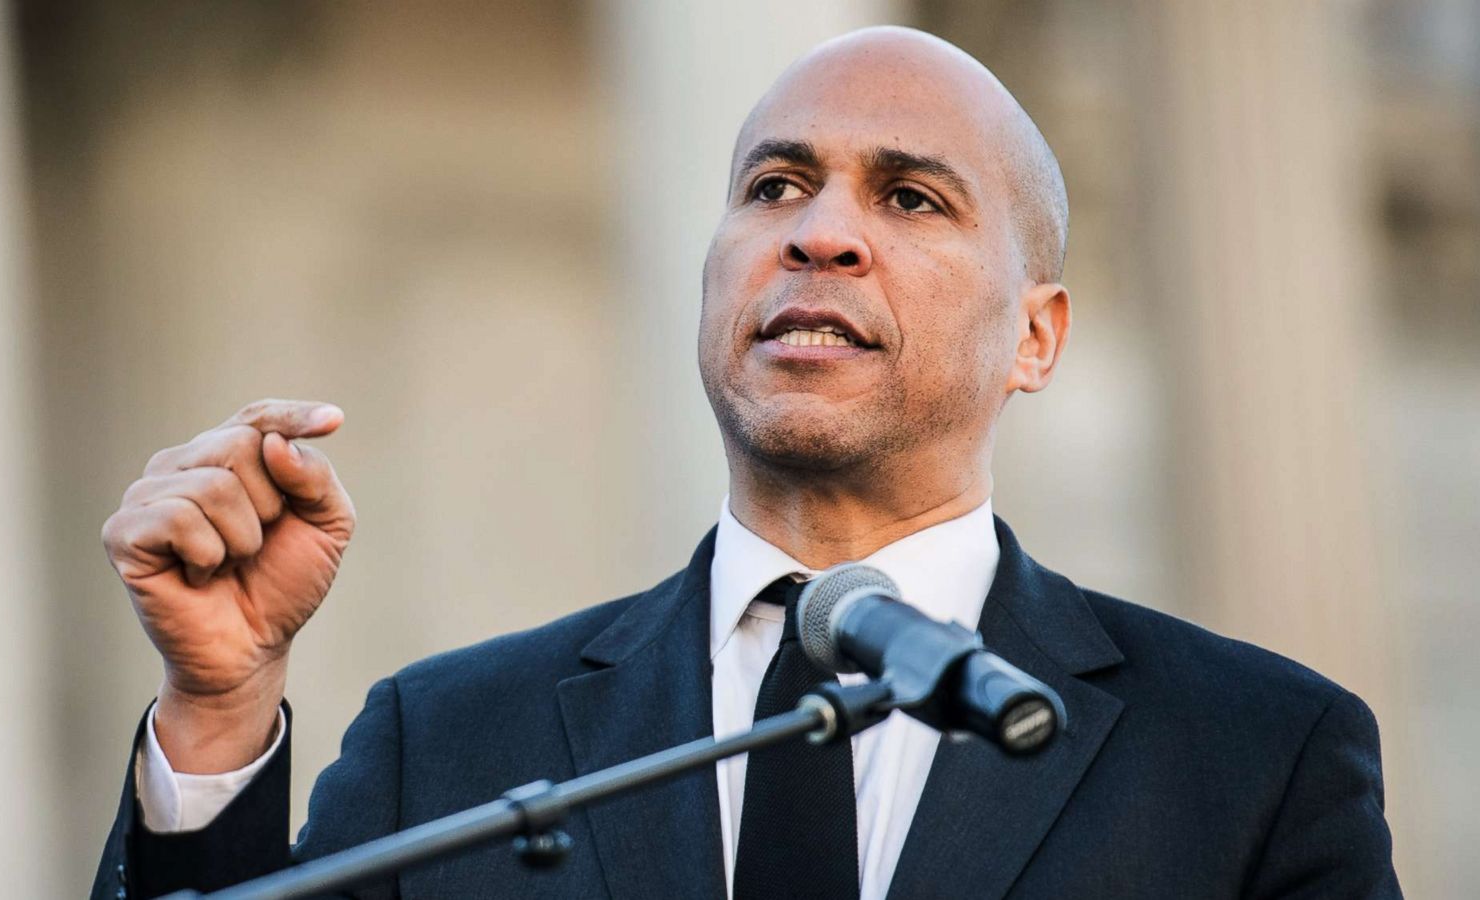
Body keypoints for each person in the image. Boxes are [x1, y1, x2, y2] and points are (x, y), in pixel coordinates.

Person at [91, 26, 1399, 900]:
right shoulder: (445, 745)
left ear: (1036, 338)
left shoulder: (1253, 755)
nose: (820, 233)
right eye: (775, 186)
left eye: (910, 198)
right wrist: (217, 712)